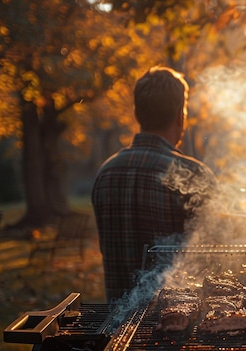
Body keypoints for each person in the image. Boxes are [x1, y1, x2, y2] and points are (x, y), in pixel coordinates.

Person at [92, 66, 216, 302]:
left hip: (117, 323)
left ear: (138, 114)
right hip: (177, 325)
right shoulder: (193, 174)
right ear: (181, 115)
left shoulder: (106, 173)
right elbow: (214, 258)